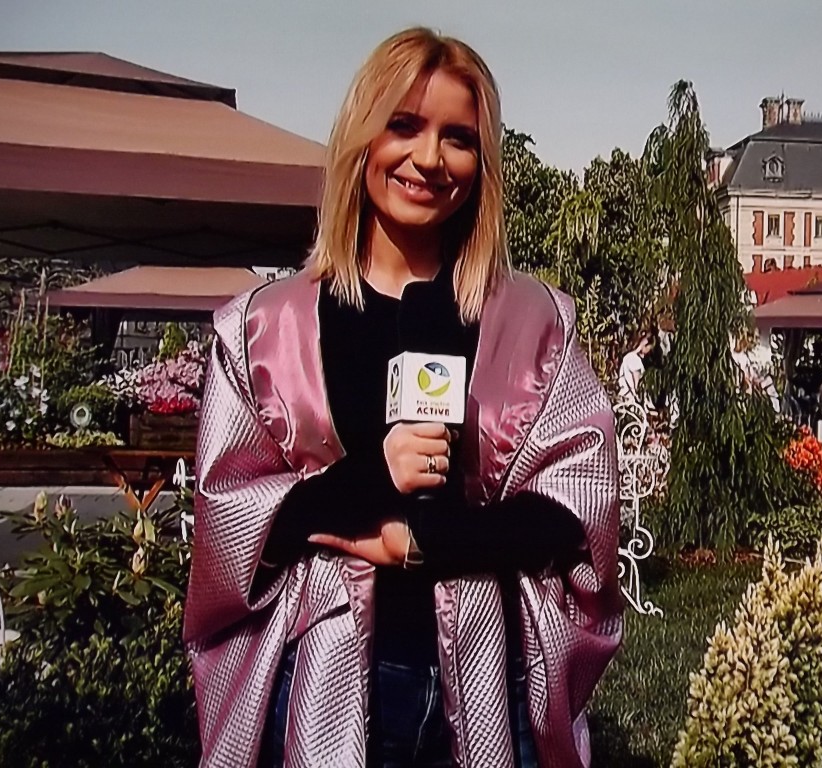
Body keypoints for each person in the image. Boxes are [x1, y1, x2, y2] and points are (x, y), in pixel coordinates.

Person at [183, 27, 622, 768]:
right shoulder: (265, 328)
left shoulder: (533, 320)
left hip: (488, 681)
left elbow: (578, 513)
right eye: (405, 126)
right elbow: (232, 524)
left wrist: (425, 544)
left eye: (459, 138)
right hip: (323, 683)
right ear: (362, 138)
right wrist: (370, 477)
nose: (429, 158)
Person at [617, 332, 655, 403]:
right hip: (630, 398)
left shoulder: (628, 356)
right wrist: (637, 394)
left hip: (625, 394)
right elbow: (636, 378)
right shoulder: (634, 358)